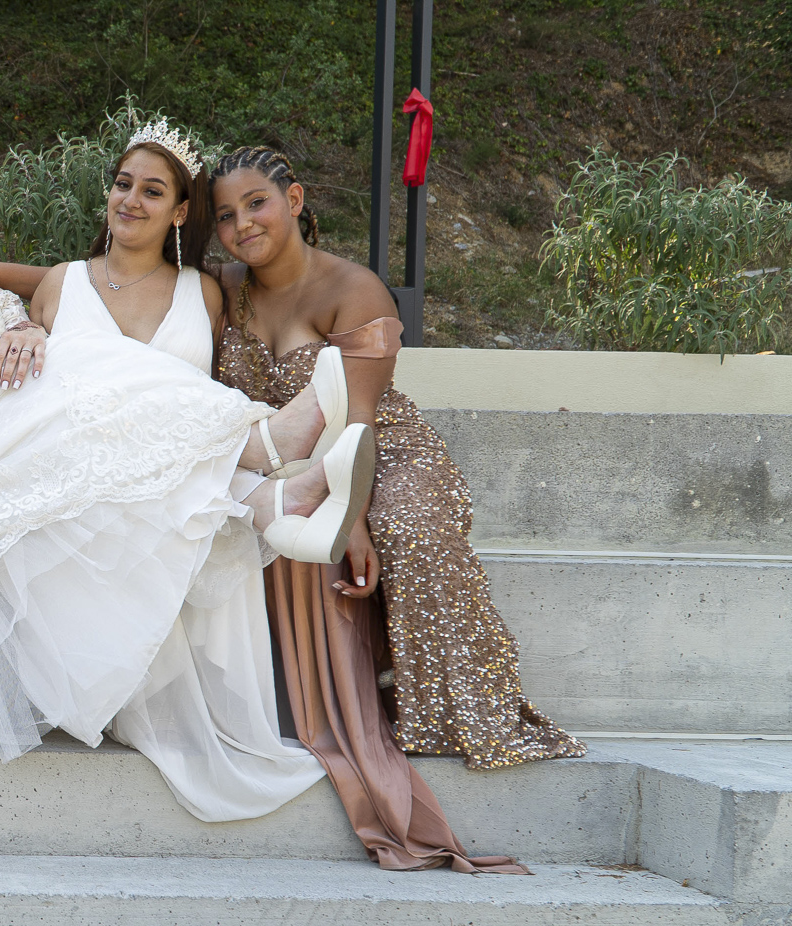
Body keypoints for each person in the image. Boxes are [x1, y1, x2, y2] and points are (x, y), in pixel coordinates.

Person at [0, 127, 381, 823]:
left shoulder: (2, 300)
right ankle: (262, 458)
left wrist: (25, 329)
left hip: (14, 443)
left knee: (95, 381)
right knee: (90, 364)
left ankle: (263, 494)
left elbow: (37, 348)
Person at [208, 145, 580, 868]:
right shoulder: (223, 288)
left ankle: (443, 705)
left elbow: (359, 421)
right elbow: (110, 279)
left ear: (295, 200)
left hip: (383, 449)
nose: (241, 225)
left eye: (256, 203)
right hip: (293, 463)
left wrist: (352, 520)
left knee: (407, 526)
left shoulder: (354, 287)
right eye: (225, 215)